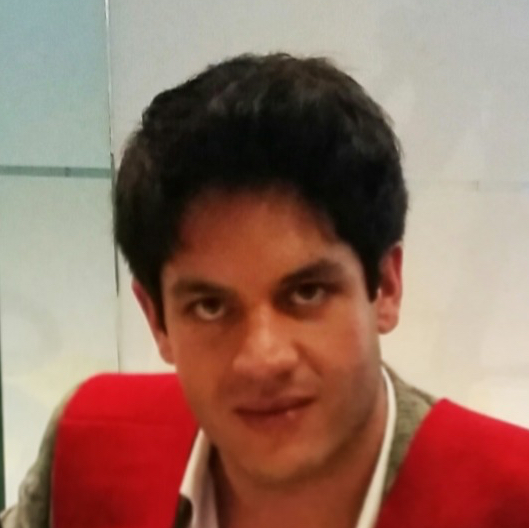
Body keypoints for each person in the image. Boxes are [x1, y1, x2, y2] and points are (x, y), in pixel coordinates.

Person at [2, 53, 528, 528]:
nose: (262, 359)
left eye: (307, 293)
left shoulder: (511, 498)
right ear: (157, 320)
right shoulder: (91, 449)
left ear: (386, 287)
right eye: (210, 307)